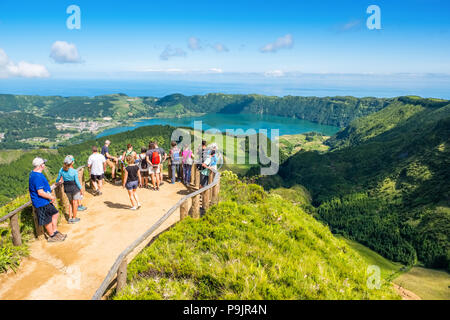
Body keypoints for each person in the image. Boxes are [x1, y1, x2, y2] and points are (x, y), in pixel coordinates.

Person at [29, 157, 66, 242]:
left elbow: (43, 189)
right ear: (41, 165)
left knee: (55, 213)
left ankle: (55, 231)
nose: (44, 165)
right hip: (41, 202)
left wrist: (54, 187)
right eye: (44, 164)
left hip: (44, 201)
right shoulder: (37, 177)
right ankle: (52, 236)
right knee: (47, 220)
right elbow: (40, 192)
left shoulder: (34, 174)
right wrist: (51, 197)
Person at [56, 155, 85, 224]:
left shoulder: (61, 170)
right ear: (71, 163)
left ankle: (70, 218)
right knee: (75, 203)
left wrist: (57, 183)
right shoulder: (74, 171)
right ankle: (74, 218)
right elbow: (77, 182)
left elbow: (58, 179)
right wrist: (81, 189)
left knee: (70, 203)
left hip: (67, 188)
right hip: (74, 188)